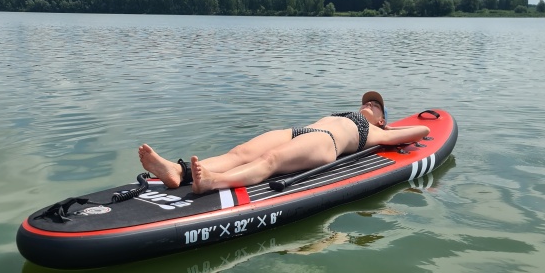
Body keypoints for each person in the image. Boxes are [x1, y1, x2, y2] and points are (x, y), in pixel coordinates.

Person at [138, 90, 430, 194]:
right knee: (239, 152)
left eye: (375, 105)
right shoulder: (350, 113)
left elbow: (421, 132)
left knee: (271, 161)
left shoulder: (379, 131)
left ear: (381, 119)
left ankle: (213, 182)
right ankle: (179, 172)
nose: (368, 103)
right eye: (367, 100)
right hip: (299, 131)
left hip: (326, 143)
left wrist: (388, 127)